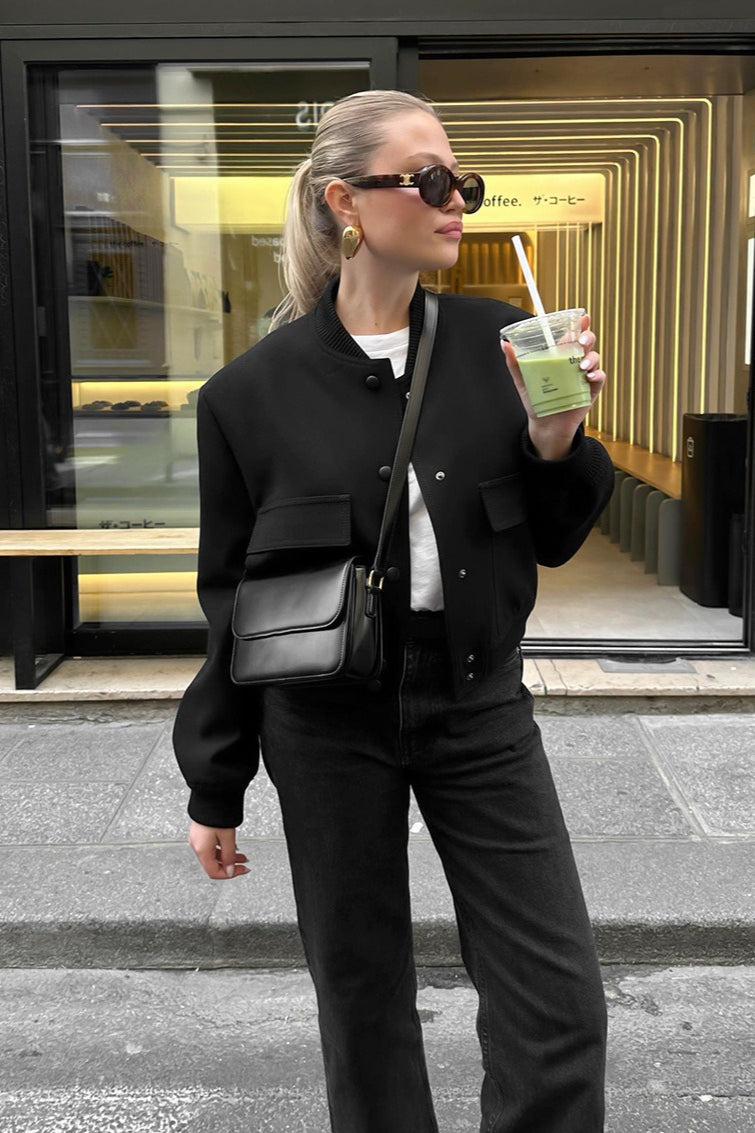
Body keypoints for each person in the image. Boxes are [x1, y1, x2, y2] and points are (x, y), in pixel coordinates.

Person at [173, 89, 614, 1133]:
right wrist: (214, 780)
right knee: (361, 997)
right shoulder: (248, 395)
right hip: (326, 722)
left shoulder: (500, 341)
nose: (455, 198)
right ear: (346, 203)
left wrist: (555, 440)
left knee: (557, 1003)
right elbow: (231, 599)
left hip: (478, 706)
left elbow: (555, 535)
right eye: (428, 179)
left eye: (462, 180)